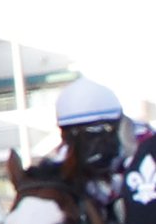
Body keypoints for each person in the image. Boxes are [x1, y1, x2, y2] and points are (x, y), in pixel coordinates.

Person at [47, 76, 130, 204]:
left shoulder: (141, 158)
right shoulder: (57, 174)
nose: (85, 143)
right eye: (72, 133)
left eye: (95, 131)